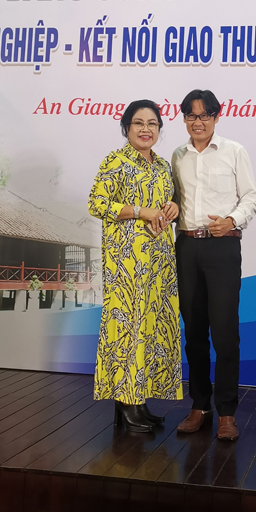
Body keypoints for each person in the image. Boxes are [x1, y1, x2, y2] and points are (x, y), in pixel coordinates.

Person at [88, 100, 182, 432]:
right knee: (128, 326)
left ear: (159, 129)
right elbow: (96, 203)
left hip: (159, 260)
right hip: (127, 262)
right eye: (138, 123)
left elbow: (168, 204)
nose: (146, 129)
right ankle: (125, 403)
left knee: (150, 328)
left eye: (152, 123)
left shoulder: (162, 166)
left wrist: (172, 207)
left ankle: (137, 401)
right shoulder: (116, 161)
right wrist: (141, 211)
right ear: (126, 127)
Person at [171, 89, 256, 441]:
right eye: (191, 115)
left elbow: (250, 197)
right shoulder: (177, 156)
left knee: (224, 332)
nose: (198, 122)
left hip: (223, 247)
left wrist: (232, 220)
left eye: (204, 115)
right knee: (193, 331)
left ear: (216, 117)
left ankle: (227, 412)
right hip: (186, 247)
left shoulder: (234, 151)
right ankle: (200, 405)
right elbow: (174, 200)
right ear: (184, 119)